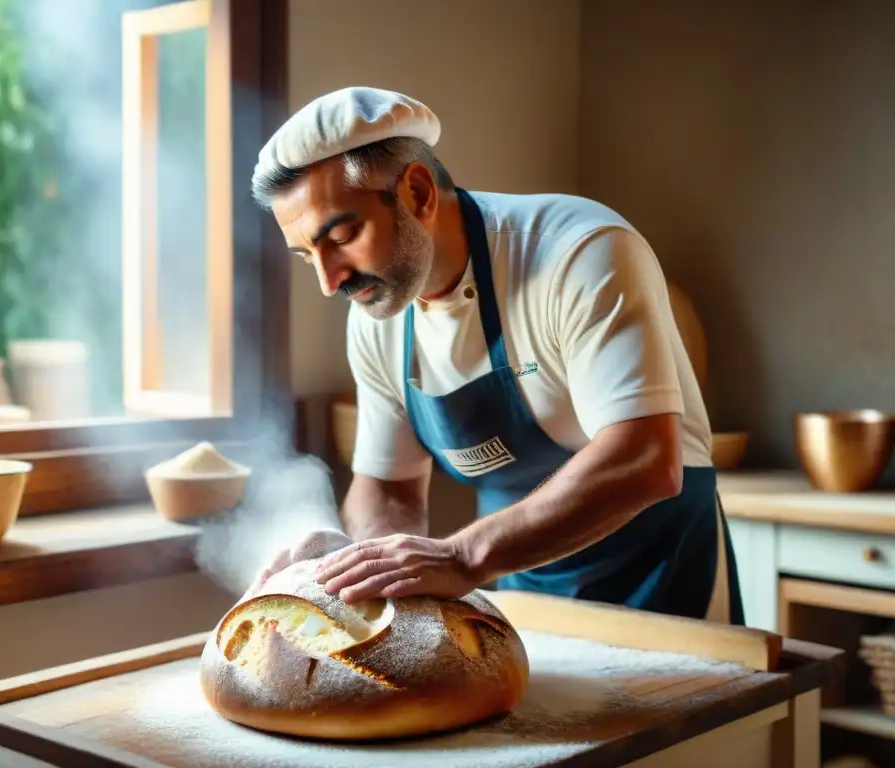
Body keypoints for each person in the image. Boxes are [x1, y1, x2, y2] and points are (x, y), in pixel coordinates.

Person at [248, 86, 744, 625]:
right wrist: (356, 565)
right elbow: (387, 487)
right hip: (520, 583)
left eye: (342, 235)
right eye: (306, 256)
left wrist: (461, 556)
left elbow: (644, 459)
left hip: (664, 579)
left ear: (417, 192)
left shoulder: (579, 251)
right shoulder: (378, 319)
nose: (328, 281)